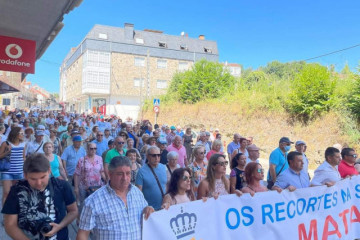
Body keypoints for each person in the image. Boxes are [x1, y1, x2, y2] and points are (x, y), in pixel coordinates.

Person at [2, 153, 78, 240]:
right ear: (25, 175)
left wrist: (60, 226)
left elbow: (73, 211)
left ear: (49, 171)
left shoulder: (62, 186)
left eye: (43, 177)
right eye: (33, 179)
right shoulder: (16, 191)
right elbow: (10, 225)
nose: (38, 183)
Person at [76, 156, 154, 240]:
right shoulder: (93, 201)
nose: (125, 178)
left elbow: (145, 213)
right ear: (110, 174)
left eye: (128, 173)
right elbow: (82, 235)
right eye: (120, 174)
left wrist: (148, 209)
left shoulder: (137, 192)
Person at [74, 142, 106, 214]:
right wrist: (76, 187)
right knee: (84, 204)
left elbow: (101, 171)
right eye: (91, 148)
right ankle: (81, 219)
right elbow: (76, 174)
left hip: (97, 186)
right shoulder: (82, 160)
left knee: (96, 204)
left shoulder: (99, 158)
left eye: (95, 148)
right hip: (84, 186)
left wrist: (107, 180)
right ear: (87, 149)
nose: (93, 150)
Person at [0, 126, 26, 205]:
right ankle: (5, 213)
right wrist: (8, 152)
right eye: (21, 133)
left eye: (23, 133)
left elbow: (23, 157)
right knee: (6, 193)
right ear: (15, 133)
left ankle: (14, 211)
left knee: (17, 193)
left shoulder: (23, 144)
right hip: (7, 171)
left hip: (19, 171)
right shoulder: (6, 143)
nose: (22, 134)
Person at [135, 146, 167, 210]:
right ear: (147, 156)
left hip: (164, 207)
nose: (157, 158)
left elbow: (167, 185)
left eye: (158, 155)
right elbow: (138, 193)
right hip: (149, 209)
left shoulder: (164, 168)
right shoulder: (141, 171)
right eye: (154, 155)